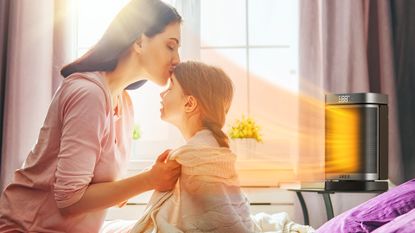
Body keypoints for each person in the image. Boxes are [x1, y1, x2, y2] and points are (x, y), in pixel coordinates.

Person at [0, 0, 182, 232]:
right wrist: (149, 180)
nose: (177, 59)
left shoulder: (124, 104)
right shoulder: (88, 94)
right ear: (139, 41)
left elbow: (94, 186)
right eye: (170, 46)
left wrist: (128, 186)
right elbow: (69, 200)